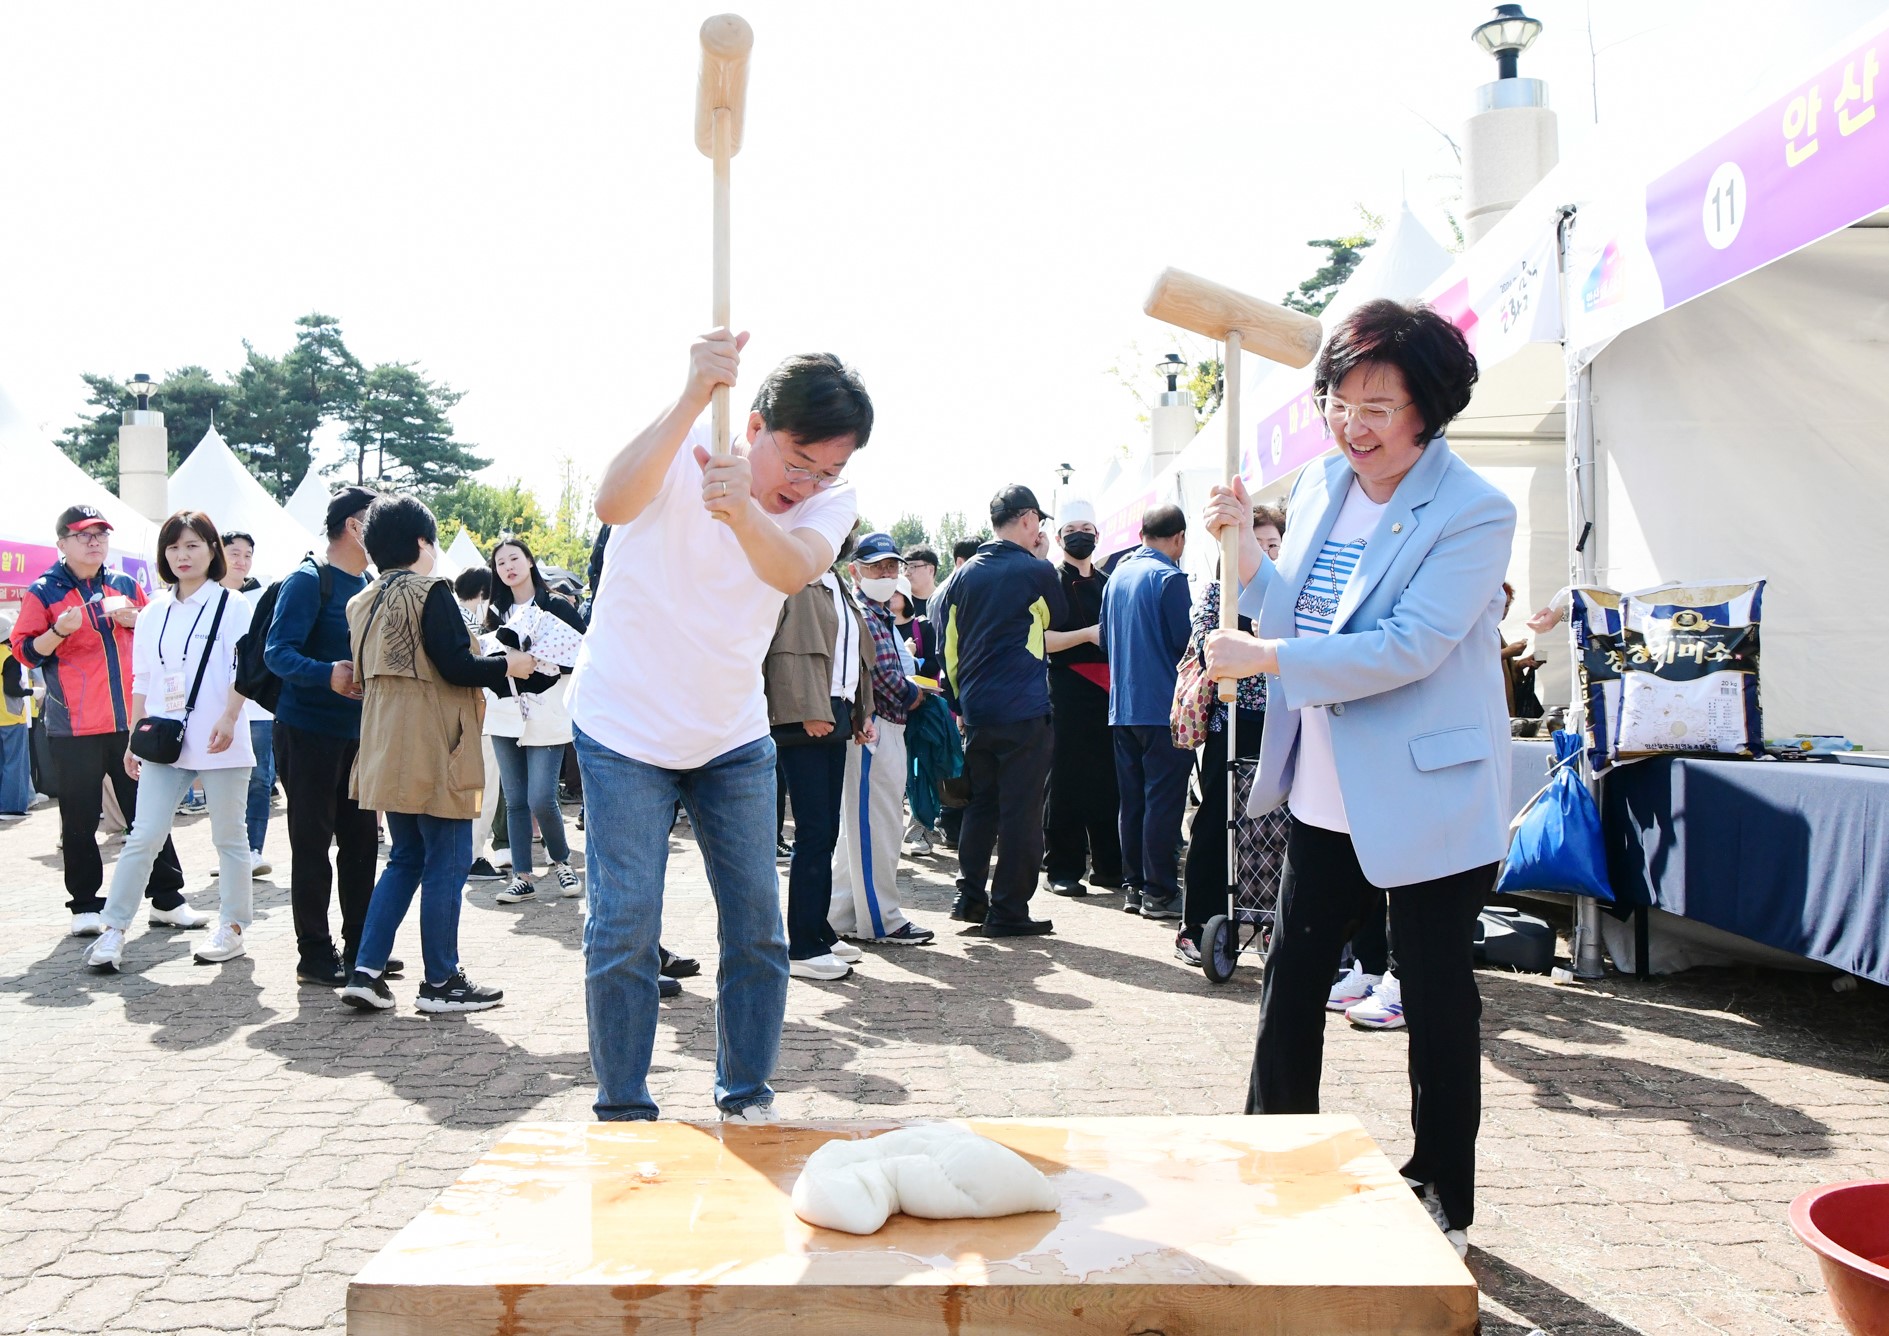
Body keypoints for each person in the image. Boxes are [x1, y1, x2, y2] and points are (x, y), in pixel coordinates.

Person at [1201, 297, 1514, 1257]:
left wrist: (1265, 661)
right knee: (1292, 979)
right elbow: (1297, 609)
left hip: (1426, 792)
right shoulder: (1323, 485)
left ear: (1430, 408)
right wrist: (1242, 554)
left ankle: (1441, 1192)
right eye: (1338, 403)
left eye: (1377, 407)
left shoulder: (1474, 510)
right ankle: (1275, 1158)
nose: (1352, 425)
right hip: (1323, 786)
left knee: (1434, 998)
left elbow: (1409, 646)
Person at [568, 331, 870, 1122]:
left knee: (758, 930)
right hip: (622, 726)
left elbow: (791, 569)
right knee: (625, 925)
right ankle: (623, 1109)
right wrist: (691, 393)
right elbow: (610, 504)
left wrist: (741, 511)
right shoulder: (688, 439)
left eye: (826, 470)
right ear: (755, 425)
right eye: (797, 461)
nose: (807, 484)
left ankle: (745, 1097)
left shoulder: (830, 502)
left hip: (731, 735)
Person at [335, 495, 534, 1012]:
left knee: (405, 857)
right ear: (423, 542)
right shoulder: (432, 591)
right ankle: (441, 981)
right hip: (435, 742)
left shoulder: (362, 600)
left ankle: (365, 969)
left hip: (384, 743)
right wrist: (508, 666)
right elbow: (455, 666)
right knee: (446, 859)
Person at [10, 504, 197, 935]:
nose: (94, 542)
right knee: (80, 819)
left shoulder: (125, 584)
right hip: (73, 725)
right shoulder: (44, 591)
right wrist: (58, 631)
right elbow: (25, 652)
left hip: (131, 722)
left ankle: (167, 898)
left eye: (101, 534)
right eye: (83, 535)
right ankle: (85, 906)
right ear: (62, 543)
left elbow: (162, 639)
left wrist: (139, 620)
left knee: (148, 812)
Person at [86, 513, 255, 971]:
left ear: (212, 550)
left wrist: (230, 716)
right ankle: (113, 929)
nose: (182, 555)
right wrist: (134, 737)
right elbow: (142, 678)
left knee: (229, 837)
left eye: (193, 545)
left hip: (221, 737)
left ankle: (233, 926)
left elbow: (244, 669)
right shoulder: (153, 611)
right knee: (143, 835)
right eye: (174, 547)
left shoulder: (232, 604)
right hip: (164, 739)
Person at [934, 485, 1066, 936]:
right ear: (1028, 519)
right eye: (1038, 522)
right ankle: (1008, 909)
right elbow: (1052, 620)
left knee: (980, 806)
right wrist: (1041, 560)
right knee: (1021, 813)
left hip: (977, 711)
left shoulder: (962, 576)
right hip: (1024, 709)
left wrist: (960, 702)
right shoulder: (1036, 570)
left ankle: (970, 896)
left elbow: (947, 647)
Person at [265, 485, 380, 986]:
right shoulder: (308, 580)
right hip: (306, 733)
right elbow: (276, 652)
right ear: (354, 526)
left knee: (362, 846)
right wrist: (325, 673)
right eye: (376, 519)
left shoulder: (372, 582)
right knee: (311, 847)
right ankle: (314, 953)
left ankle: (361, 950)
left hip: (360, 737)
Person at [1176, 504, 1284, 965]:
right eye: (1255, 544)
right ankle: (1198, 925)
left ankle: (1272, 919)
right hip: (1233, 723)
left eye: (1273, 545)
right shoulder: (1218, 595)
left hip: (1283, 721)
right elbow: (1208, 651)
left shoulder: (1291, 593)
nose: (1266, 553)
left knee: (1278, 823)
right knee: (1219, 819)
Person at [765, 535, 874, 980]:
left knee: (825, 831)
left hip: (836, 713)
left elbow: (850, 657)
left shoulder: (835, 582)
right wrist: (807, 709)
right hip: (805, 717)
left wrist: (861, 711)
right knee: (813, 833)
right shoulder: (795, 575)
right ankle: (804, 945)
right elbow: (776, 651)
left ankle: (818, 930)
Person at [830, 531, 936, 948]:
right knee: (877, 827)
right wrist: (915, 694)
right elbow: (878, 676)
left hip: (881, 726)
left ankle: (841, 915)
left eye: (892, 566)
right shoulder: (863, 612)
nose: (887, 573)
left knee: (861, 829)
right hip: (873, 727)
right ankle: (883, 921)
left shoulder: (876, 612)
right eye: (877, 567)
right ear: (856, 570)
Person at [1099, 503, 1193, 919]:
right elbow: (1185, 643)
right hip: (1162, 707)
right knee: (1163, 802)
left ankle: (1135, 887)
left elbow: (1105, 641)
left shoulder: (1116, 577)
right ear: (1179, 538)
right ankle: (1159, 891)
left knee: (1133, 801)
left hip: (1122, 707)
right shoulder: (1169, 578)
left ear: (1142, 535)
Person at [482, 535, 585, 904]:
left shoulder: (555, 605)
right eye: (500, 563)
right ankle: (522, 876)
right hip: (505, 711)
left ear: (529, 561)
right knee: (515, 799)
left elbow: (582, 653)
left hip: (547, 710)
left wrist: (540, 659)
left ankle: (561, 862)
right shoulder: (494, 613)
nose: (508, 567)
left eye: (514, 558)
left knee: (541, 796)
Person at [1042, 500, 1122, 897]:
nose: (1080, 536)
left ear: (1097, 535)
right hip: (1067, 689)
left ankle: (1109, 867)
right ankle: (1062, 868)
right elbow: (1041, 640)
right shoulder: (1050, 581)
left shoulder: (1110, 583)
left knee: (1109, 779)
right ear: (1059, 538)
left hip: (1109, 690)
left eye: (1087, 529)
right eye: (1072, 530)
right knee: (1067, 780)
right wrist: (1088, 635)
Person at [219, 530, 275, 877]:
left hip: (257, 705)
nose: (241, 561)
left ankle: (252, 849)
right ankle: (229, 850)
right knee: (223, 780)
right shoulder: (206, 597)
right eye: (234, 553)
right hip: (217, 704)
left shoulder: (261, 596)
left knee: (258, 778)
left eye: (247, 555)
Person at [0, 612, 34, 818]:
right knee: (16, 764)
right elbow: (12, 689)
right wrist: (31, 692)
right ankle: (12, 807)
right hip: (11, 716)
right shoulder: (9, 656)